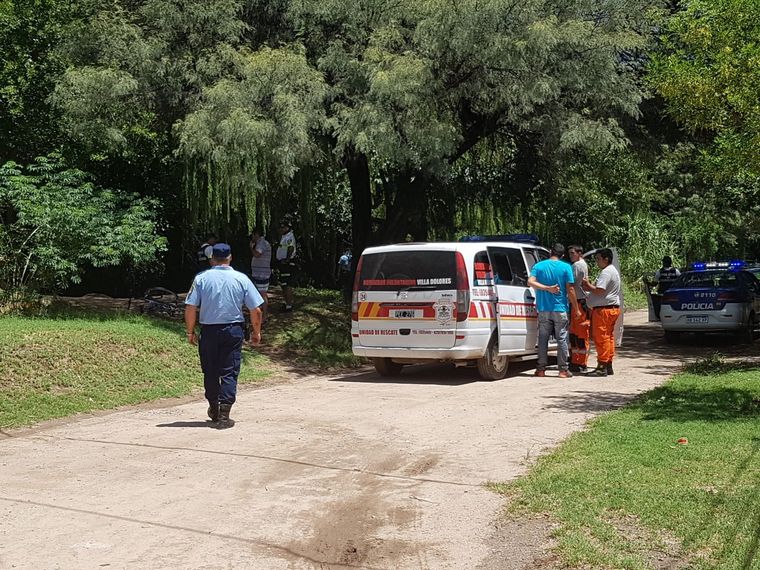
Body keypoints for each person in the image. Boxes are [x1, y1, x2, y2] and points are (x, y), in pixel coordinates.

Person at [184, 243, 264, 429]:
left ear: (212, 258)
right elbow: (256, 310)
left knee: (210, 370)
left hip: (209, 331)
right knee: (229, 371)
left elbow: (190, 307)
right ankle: (224, 415)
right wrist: (256, 332)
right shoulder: (241, 279)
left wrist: (190, 331)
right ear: (230, 257)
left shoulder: (201, 279)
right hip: (232, 331)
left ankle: (214, 408)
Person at [528, 243, 581, 378]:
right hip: (560, 308)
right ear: (562, 255)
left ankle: (540, 369)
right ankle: (563, 370)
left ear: (550, 252)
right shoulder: (566, 267)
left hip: (543, 308)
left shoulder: (539, 266)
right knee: (562, 339)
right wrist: (576, 308)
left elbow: (530, 281)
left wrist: (546, 288)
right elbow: (570, 289)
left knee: (543, 339)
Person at [582, 248, 621, 377]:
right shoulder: (612, 271)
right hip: (611, 308)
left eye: (598, 259)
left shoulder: (606, 272)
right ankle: (608, 364)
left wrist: (588, 285)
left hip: (604, 310)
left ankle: (602, 366)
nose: (597, 262)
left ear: (606, 259)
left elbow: (600, 290)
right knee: (608, 337)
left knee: (601, 337)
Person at [567, 245, 591, 373]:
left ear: (579, 253)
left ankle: (580, 362)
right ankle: (577, 361)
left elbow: (570, 284)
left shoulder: (577, 265)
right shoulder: (582, 264)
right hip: (578, 301)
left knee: (580, 334)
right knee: (576, 333)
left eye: (573, 253)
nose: (571, 255)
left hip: (578, 302)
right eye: (570, 253)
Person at [249, 226, 272, 322]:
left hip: (262, 273)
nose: (252, 237)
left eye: (253, 235)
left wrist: (251, 248)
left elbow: (257, 254)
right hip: (258, 272)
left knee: (262, 294)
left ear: (256, 235)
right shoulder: (260, 243)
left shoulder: (262, 243)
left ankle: (265, 316)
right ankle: (261, 314)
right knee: (259, 294)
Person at [276, 218, 297, 312]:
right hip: (282, 263)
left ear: (287, 228)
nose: (280, 229)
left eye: (282, 227)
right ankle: (287, 303)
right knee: (283, 284)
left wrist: (287, 259)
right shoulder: (284, 236)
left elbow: (291, 248)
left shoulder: (289, 237)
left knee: (287, 285)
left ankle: (289, 305)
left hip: (287, 264)